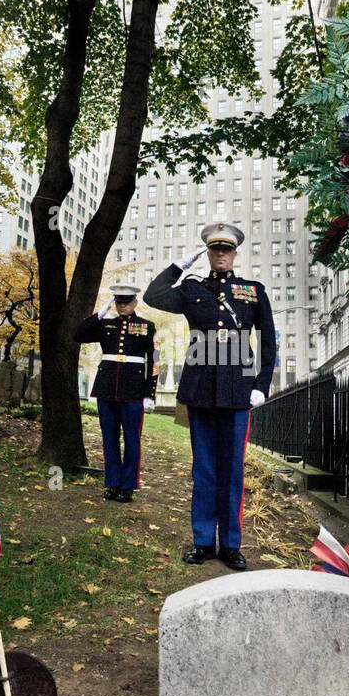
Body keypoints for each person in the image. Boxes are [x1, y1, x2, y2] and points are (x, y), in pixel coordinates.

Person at [144, 222, 276, 570]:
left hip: (238, 388)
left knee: (232, 470)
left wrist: (261, 384)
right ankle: (203, 541)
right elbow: (152, 296)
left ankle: (231, 544)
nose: (220, 254)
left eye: (226, 249)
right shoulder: (192, 288)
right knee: (203, 468)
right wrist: (179, 267)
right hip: (201, 387)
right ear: (208, 253)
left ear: (234, 254)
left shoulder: (253, 290)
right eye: (214, 249)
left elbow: (267, 344)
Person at [74, 283, 158, 502]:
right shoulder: (105, 324)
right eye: (118, 302)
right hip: (107, 388)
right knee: (109, 439)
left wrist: (150, 393)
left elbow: (155, 361)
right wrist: (99, 314)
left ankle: (128, 486)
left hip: (133, 391)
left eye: (126, 302)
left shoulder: (148, 326)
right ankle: (112, 483)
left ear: (134, 303)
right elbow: (78, 334)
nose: (122, 306)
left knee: (132, 439)